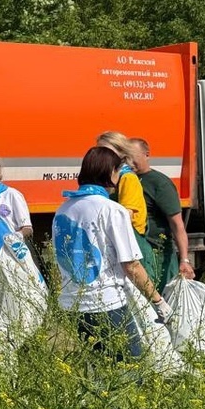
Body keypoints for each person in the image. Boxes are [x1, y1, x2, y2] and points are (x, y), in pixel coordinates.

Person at [53, 146, 173, 358]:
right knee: (129, 365)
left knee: (100, 365)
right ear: (110, 173)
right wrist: (158, 301)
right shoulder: (111, 210)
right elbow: (131, 265)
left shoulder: (64, 209)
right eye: (119, 171)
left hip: (72, 303)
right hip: (106, 303)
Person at [129, 137, 197, 291]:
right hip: (135, 254)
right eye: (126, 157)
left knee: (161, 301)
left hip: (157, 254)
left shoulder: (160, 184)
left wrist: (184, 259)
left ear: (147, 155)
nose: (130, 162)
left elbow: (177, 225)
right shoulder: (125, 180)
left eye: (134, 157)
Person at [96, 131, 154, 280]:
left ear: (121, 153)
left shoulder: (127, 178)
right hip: (119, 242)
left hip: (133, 244)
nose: (102, 156)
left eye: (107, 151)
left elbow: (125, 216)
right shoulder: (108, 180)